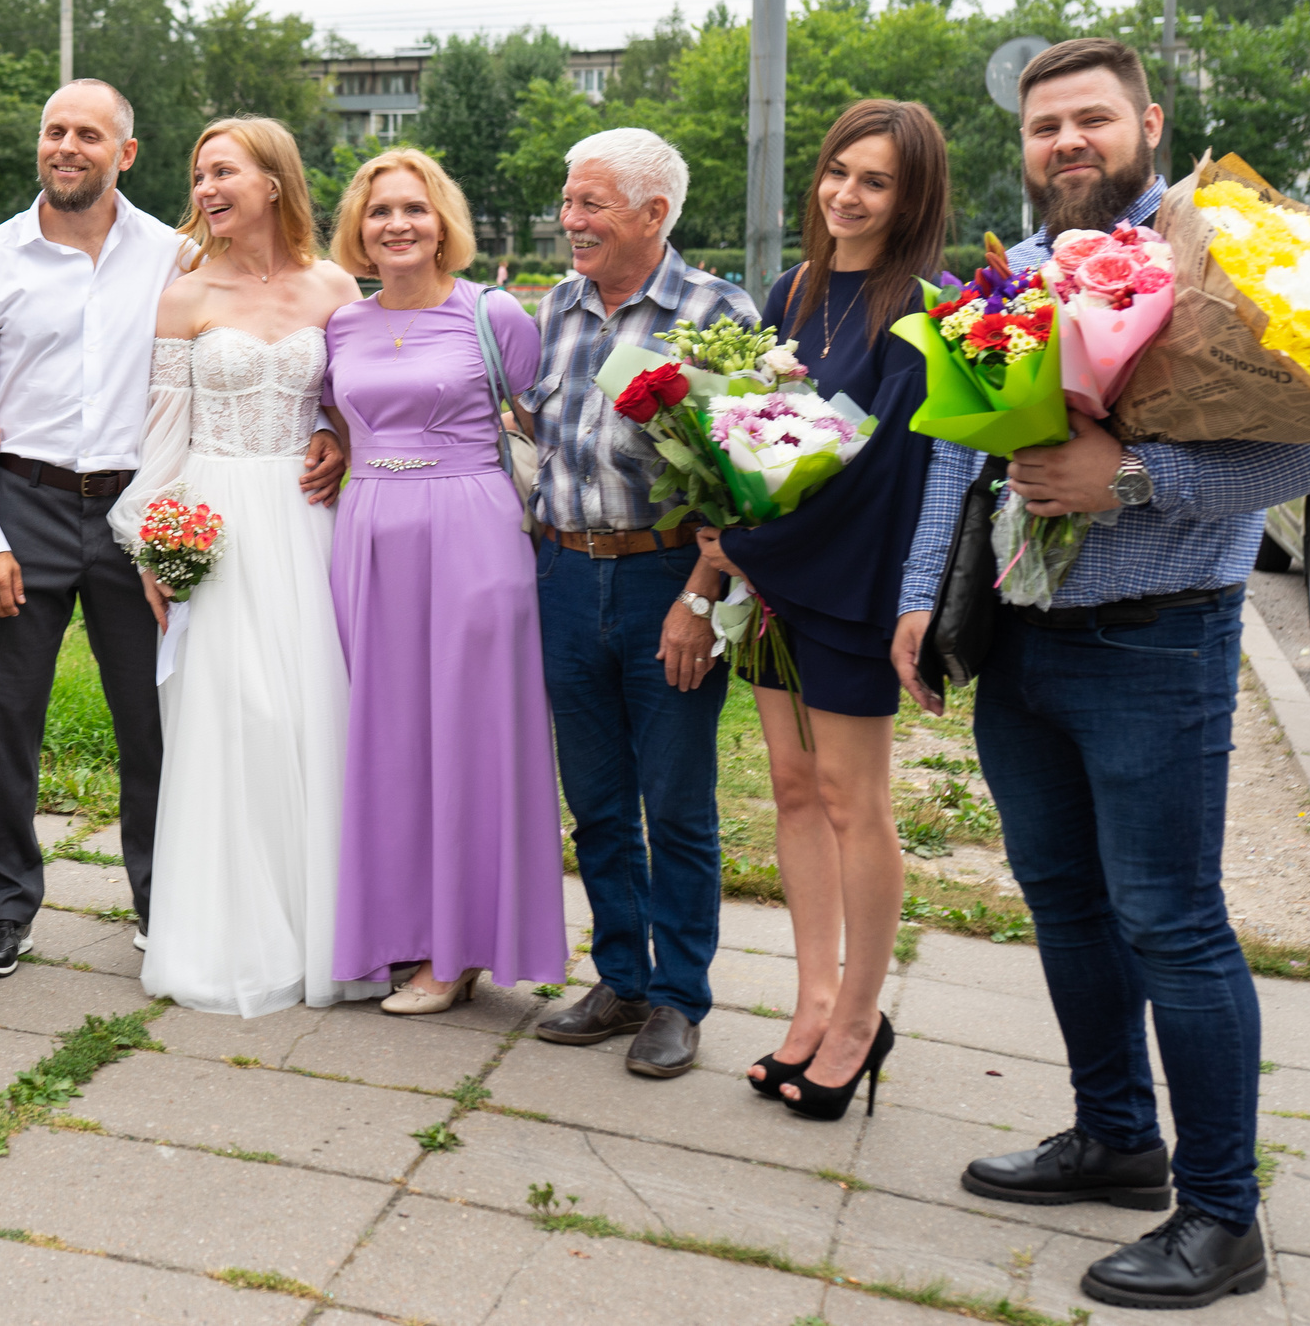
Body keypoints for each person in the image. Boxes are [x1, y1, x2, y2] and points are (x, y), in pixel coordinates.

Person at [893, 39, 1310, 1310]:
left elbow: (1309, 469)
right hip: (1020, 637)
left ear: (1147, 124)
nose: (1065, 144)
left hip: (1156, 640)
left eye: (1090, 120)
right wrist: (920, 598)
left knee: (1172, 924)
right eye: (1044, 128)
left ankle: (1220, 1217)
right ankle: (1113, 1137)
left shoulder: (1219, 267)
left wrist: (1133, 477)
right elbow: (951, 460)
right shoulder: (1012, 275)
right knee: (1061, 899)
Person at [694, 101, 949, 1120]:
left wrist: (744, 546)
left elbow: (882, 471)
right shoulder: (790, 290)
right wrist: (732, 522)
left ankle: (857, 1018)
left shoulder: (920, 313)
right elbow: (752, 426)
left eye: (874, 181)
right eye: (837, 171)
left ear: (911, 195)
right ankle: (806, 1006)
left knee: (855, 803)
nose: (846, 194)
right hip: (772, 581)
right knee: (793, 794)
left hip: (845, 587)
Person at [110, 117, 373, 1017]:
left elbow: (358, 402)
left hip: (306, 523)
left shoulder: (337, 287)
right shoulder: (183, 295)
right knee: (227, 718)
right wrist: (156, 541)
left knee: (311, 714)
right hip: (212, 519)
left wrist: (335, 434)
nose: (206, 188)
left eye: (223, 170)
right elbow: (161, 435)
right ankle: (226, 935)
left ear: (273, 180)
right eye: (197, 174)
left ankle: (325, 934)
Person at [0, 80, 191, 979]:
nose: (65, 146)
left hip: (136, 510)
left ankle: (166, 903)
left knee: (153, 721)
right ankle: (6, 909)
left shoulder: (174, 255)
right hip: (23, 505)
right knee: (8, 722)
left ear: (125, 151)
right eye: (53, 131)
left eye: (88, 133)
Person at [522, 128, 755, 1076]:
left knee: (677, 800)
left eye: (591, 206)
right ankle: (620, 976)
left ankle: (678, 996)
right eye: (568, 203)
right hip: (565, 575)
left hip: (669, 578)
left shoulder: (715, 312)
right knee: (600, 800)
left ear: (655, 214)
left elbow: (748, 475)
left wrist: (701, 599)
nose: (570, 222)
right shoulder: (556, 310)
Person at [326, 148, 566, 1012]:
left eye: (415, 209)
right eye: (381, 209)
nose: (398, 224)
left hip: (471, 532)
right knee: (388, 741)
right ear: (359, 225)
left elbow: (547, 425)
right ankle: (398, 931)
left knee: (472, 739)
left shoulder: (492, 313)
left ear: (443, 225)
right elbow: (336, 419)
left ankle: (459, 948)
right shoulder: (342, 325)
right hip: (370, 533)